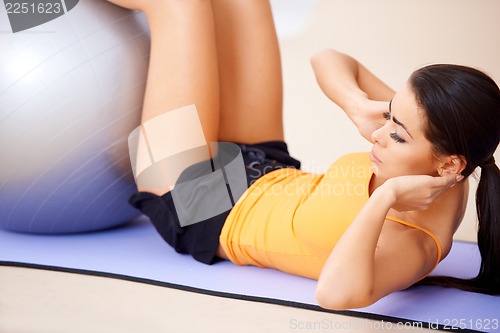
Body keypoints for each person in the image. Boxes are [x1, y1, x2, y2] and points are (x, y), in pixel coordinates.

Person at [106, 0, 500, 310]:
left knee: (179, 4)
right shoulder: (445, 145)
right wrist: (357, 104)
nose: (379, 135)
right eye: (392, 114)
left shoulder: (416, 245)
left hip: (199, 205)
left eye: (396, 134)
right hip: (268, 167)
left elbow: (335, 295)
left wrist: (385, 197)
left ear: (450, 165)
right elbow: (326, 57)